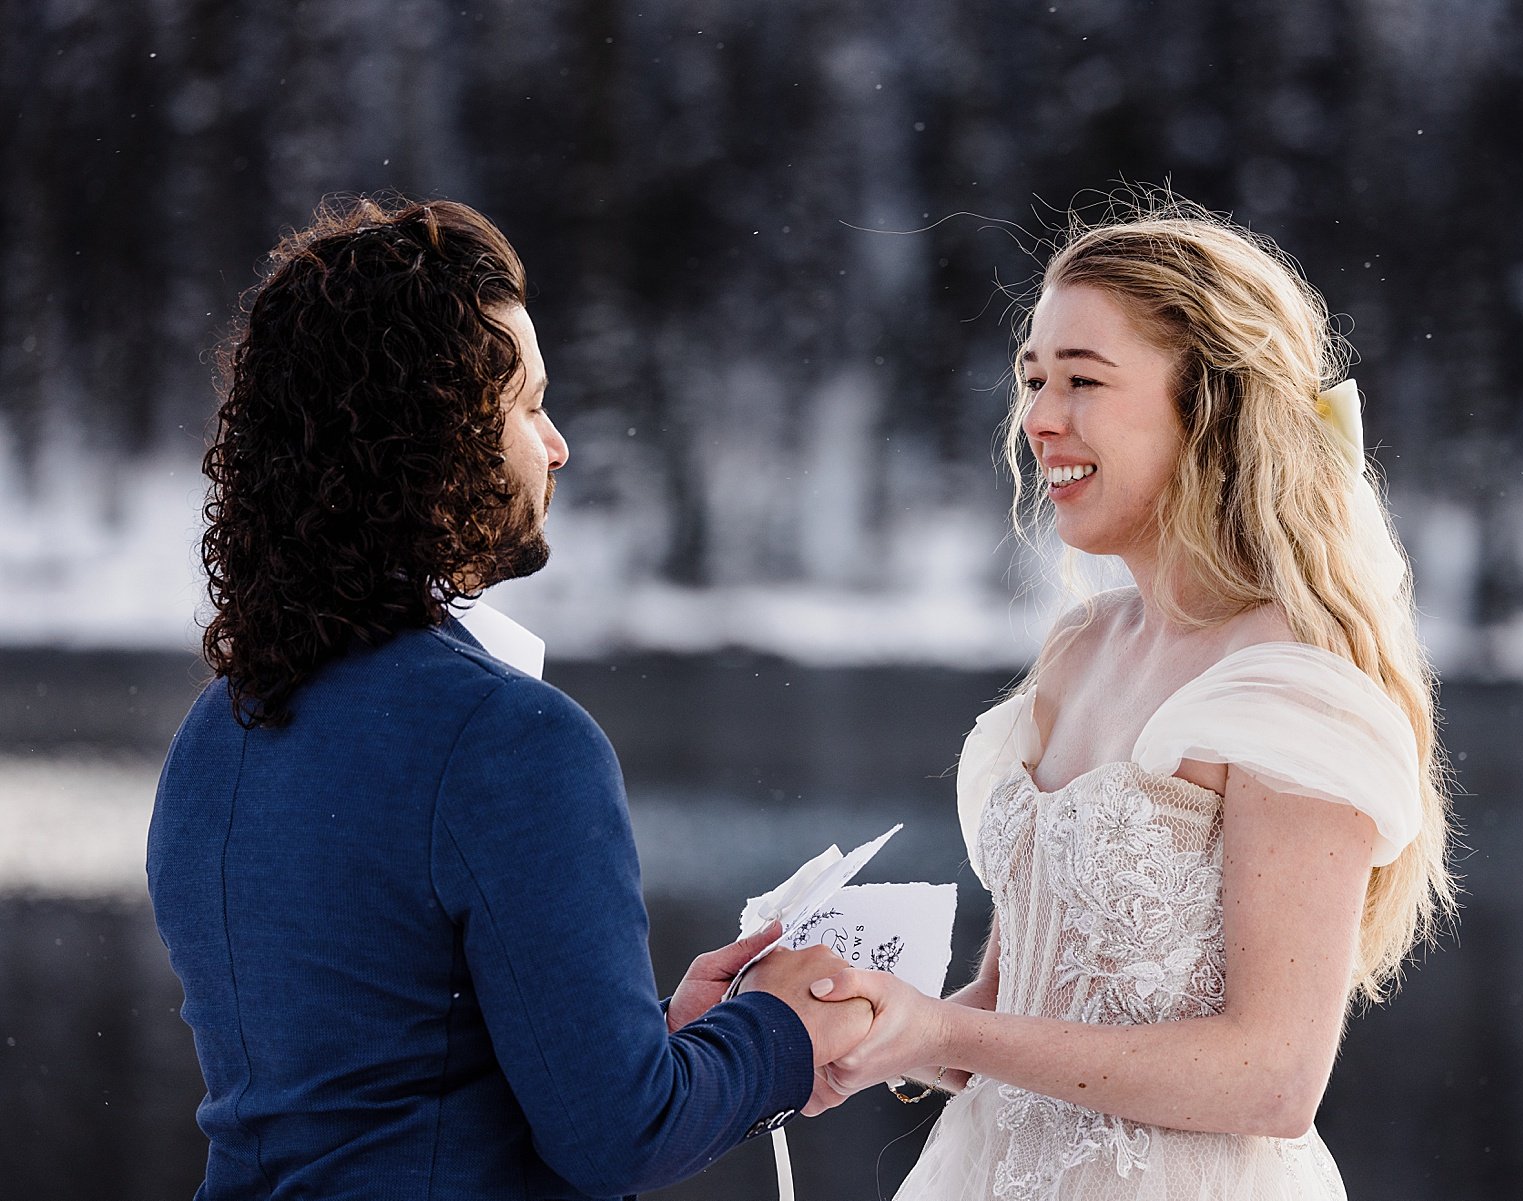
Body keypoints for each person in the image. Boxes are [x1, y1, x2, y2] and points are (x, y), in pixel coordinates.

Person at [147, 195, 868, 1200]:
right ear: (433, 443)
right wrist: (782, 1028)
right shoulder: (508, 740)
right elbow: (622, 1135)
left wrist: (664, 1038)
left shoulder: (220, 726)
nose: (557, 444)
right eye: (527, 407)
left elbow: (387, 1073)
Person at [801, 196, 1455, 1199]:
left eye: (1082, 381)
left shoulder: (1290, 689)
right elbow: (1005, 1016)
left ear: (1208, 407)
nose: (1039, 419)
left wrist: (948, 1028)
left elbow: (1275, 1076)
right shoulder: (1079, 651)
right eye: (1032, 380)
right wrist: (864, 1021)